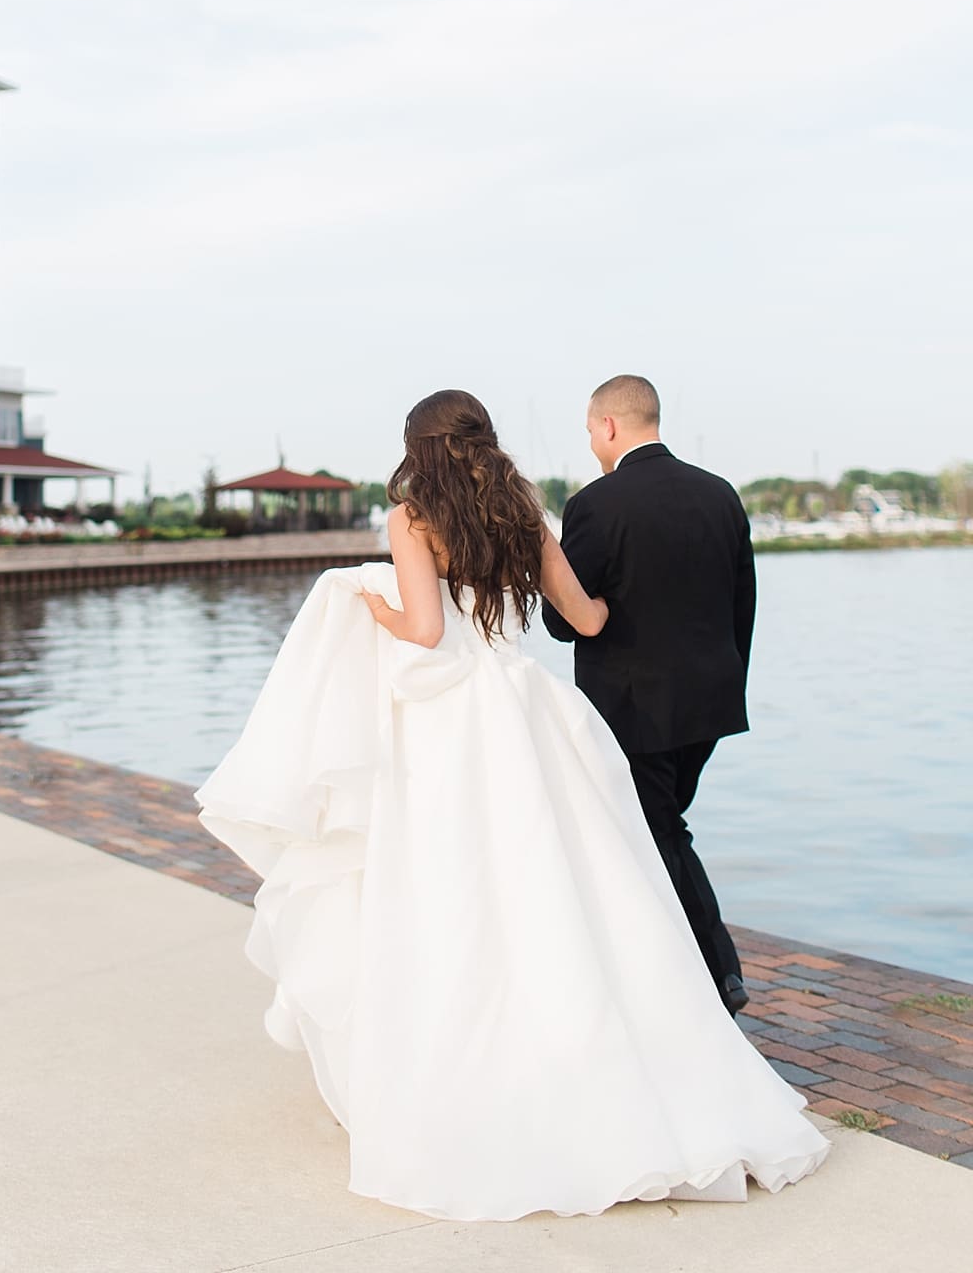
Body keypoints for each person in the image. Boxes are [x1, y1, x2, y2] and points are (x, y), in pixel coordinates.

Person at [196, 389, 826, 1221]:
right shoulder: (522, 512)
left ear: (417, 448)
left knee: (459, 893)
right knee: (569, 882)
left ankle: (480, 1074)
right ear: (485, 441)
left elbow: (423, 631)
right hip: (528, 710)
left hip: (450, 727)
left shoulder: (412, 519)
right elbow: (589, 616)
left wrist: (370, 603)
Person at [542, 374, 754, 1014]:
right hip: (712, 701)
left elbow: (562, 619)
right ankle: (671, 977)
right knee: (662, 828)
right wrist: (729, 677)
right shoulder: (720, 494)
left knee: (657, 833)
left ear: (608, 425)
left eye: (588, 430)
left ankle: (719, 975)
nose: (590, 443)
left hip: (635, 710)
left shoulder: (596, 505)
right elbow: (743, 601)